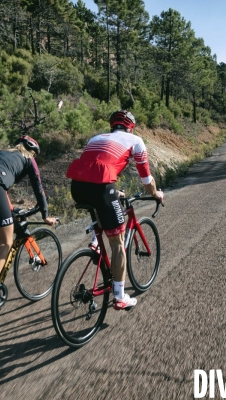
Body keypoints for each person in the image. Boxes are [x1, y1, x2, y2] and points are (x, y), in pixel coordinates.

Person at [66, 110, 164, 311]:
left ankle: (95, 241)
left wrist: (112, 191)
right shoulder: (135, 140)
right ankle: (119, 297)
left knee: (102, 207)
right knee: (118, 244)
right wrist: (156, 194)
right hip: (102, 188)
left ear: (112, 125)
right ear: (131, 126)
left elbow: (93, 169)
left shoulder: (96, 138)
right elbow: (146, 179)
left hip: (77, 187)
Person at [0, 135, 57, 311]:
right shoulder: (29, 158)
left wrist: (10, 210)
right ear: (33, 151)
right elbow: (38, 186)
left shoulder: (2, 153)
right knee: (6, 242)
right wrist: (45, 215)